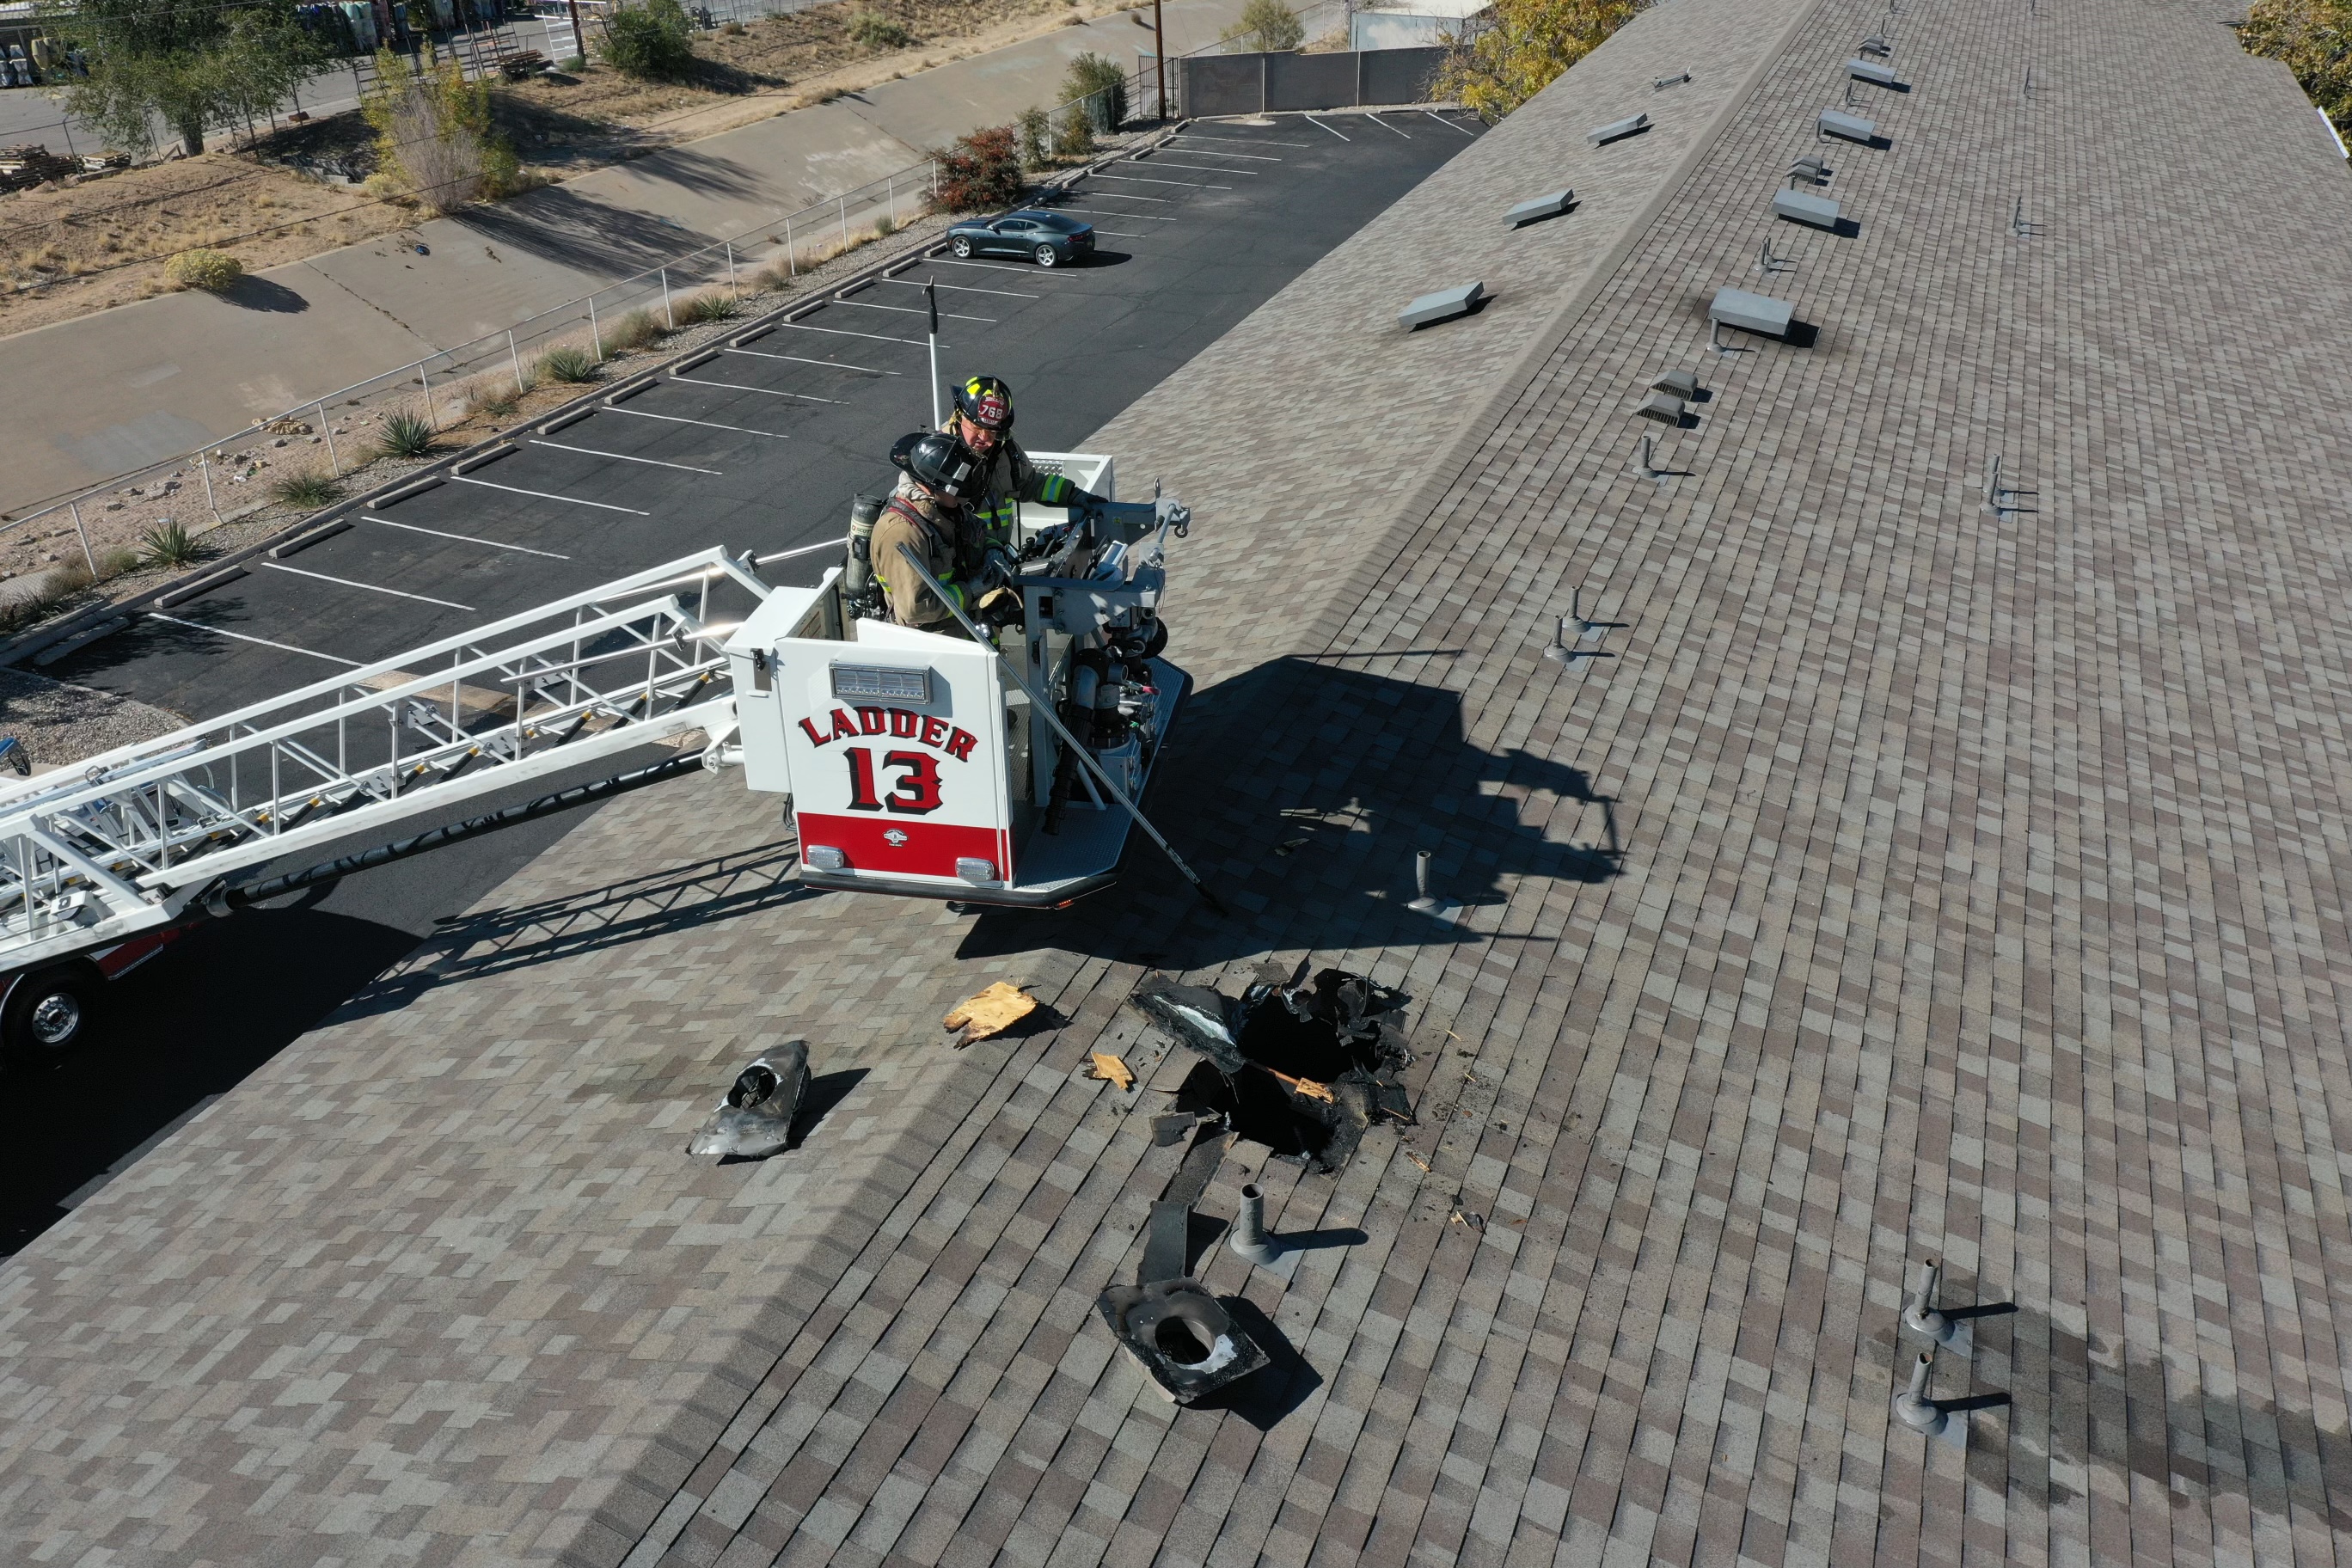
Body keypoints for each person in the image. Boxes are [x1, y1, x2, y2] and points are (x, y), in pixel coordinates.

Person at [942, 376, 1104, 547]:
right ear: (959, 416)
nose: (985, 439)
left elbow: (1031, 484)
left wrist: (1072, 494)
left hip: (998, 554)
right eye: (977, 428)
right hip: (961, 559)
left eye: (992, 432)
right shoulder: (937, 458)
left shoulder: (1005, 451)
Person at [871, 431, 986, 634]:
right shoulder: (903, 533)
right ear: (927, 487)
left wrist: (994, 550)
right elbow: (915, 609)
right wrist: (969, 591)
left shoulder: (942, 508)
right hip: (931, 642)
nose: (962, 499)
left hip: (963, 627)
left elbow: (975, 531)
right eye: (956, 491)